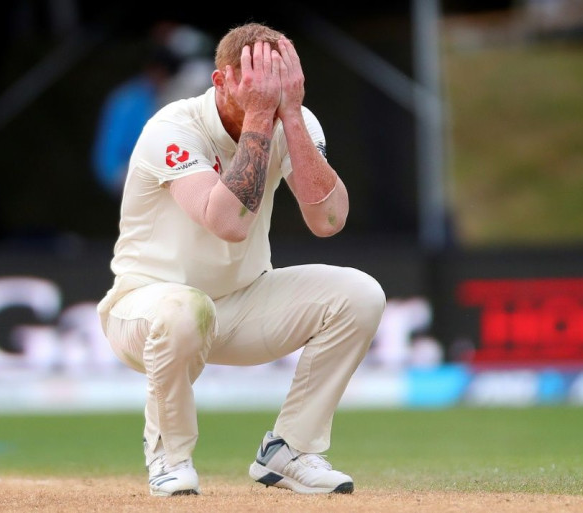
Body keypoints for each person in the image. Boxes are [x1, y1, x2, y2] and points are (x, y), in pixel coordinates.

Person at [96, 22, 386, 497]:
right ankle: (170, 459)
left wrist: (289, 116)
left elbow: (329, 220)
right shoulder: (170, 128)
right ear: (221, 81)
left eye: (277, 83)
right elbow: (227, 222)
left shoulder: (295, 120)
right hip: (144, 309)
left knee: (359, 295)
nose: (266, 97)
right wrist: (258, 118)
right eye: (255, 85)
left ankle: (289, 450)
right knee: (184, 308)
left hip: (240, 303)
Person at [91, 23, 214, 196]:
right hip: (124, 174)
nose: (163, 81)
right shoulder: (129, 100)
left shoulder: (165, 94)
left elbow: (205, 48)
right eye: (162, 75)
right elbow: (112, 157)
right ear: (153, 70)